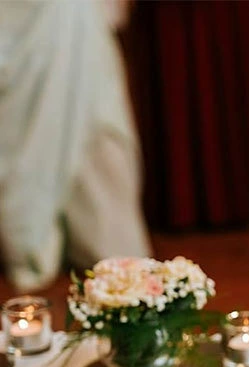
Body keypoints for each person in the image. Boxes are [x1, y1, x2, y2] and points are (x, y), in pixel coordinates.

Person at [0, 0, 150, 292]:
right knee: (30, 127)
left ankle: (104, 243)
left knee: (99, 128)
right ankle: (33, 238)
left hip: (74, 23)